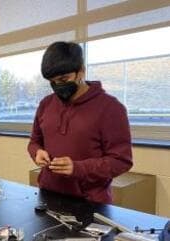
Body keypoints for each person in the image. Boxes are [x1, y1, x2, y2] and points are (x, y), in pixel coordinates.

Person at [28, 41, 133, 204]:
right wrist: (37, 152)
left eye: (64, 79)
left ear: (81, 71)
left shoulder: (111, 108)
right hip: (48, 195)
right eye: (52, 81)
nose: (58, 86)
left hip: (90, 202)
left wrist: (79, 168)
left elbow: (121, 161)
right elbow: (34, 141)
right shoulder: (46, 104)